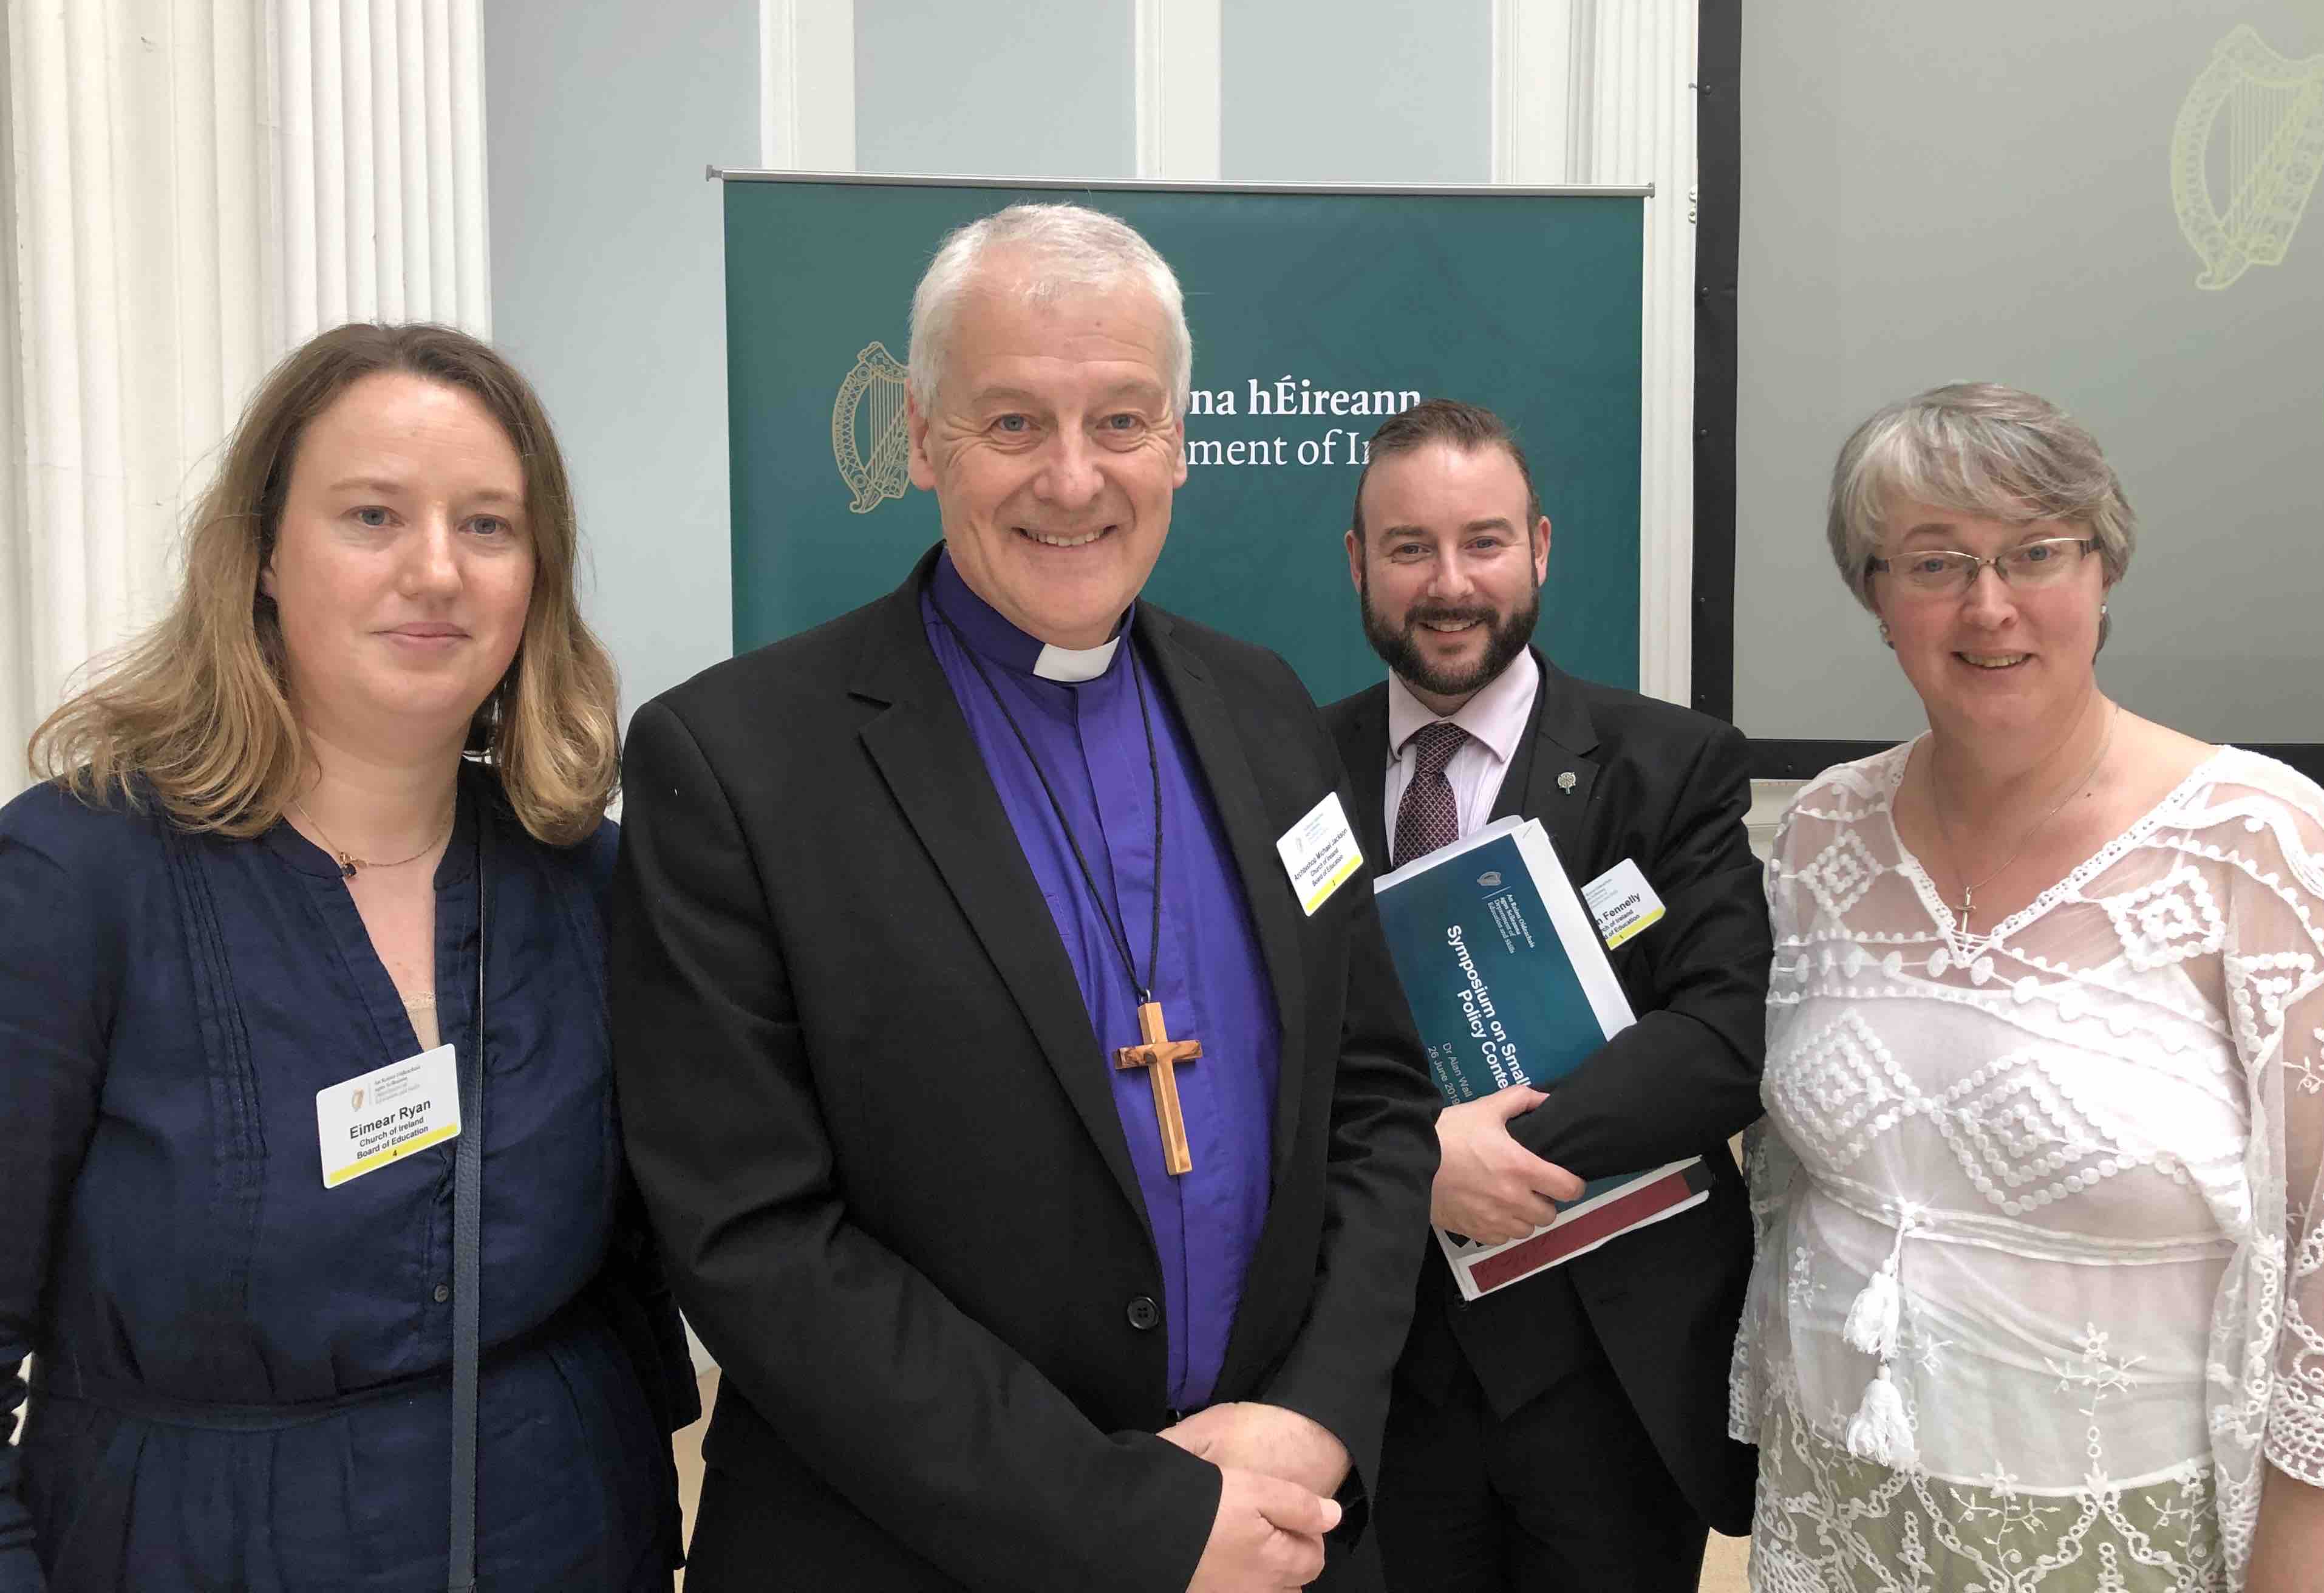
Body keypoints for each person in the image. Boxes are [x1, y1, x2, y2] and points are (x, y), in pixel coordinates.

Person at [608, 203, 1442, 1593]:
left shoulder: (1268, 710)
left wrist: (1311, 1422)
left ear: (1179, 441)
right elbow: (756, 1242)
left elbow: (1372, 1102)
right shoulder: (738, 763)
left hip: (1275, 1539)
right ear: (926, 442)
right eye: (1011, 425)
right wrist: (1138, 1520)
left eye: (1121, 421)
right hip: (910, 1555)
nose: (1073, 480)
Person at [0, 324, 697, 1591]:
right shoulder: (71, 883)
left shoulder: (589, 880)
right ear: (262, 555)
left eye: (488, 525)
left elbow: (642, 1284)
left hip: (570, 1537)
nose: (436, 570)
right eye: (373, 516)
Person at [1737, 382, 2324, 1591]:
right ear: (1877, 599)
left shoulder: (2259, 843)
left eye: (2037, 552)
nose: (1990, 604)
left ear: (2105, 571)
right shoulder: (1823, 836)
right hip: (1837, 1525)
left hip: (2132, 1545)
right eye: (1933, 562)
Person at [1320, 400, 1768, 1592]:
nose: (1449, 582)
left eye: (1485, 542)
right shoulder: (1284, 774)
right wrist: (1412, 1161)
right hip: (1375, 1381)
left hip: (1607, 1379)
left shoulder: (1674, 767)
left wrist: (1470, 1160)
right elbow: (1262, 1036)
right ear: (1360, 564)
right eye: (1409, 547)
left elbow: (1720, 1039)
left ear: (1542, 550)